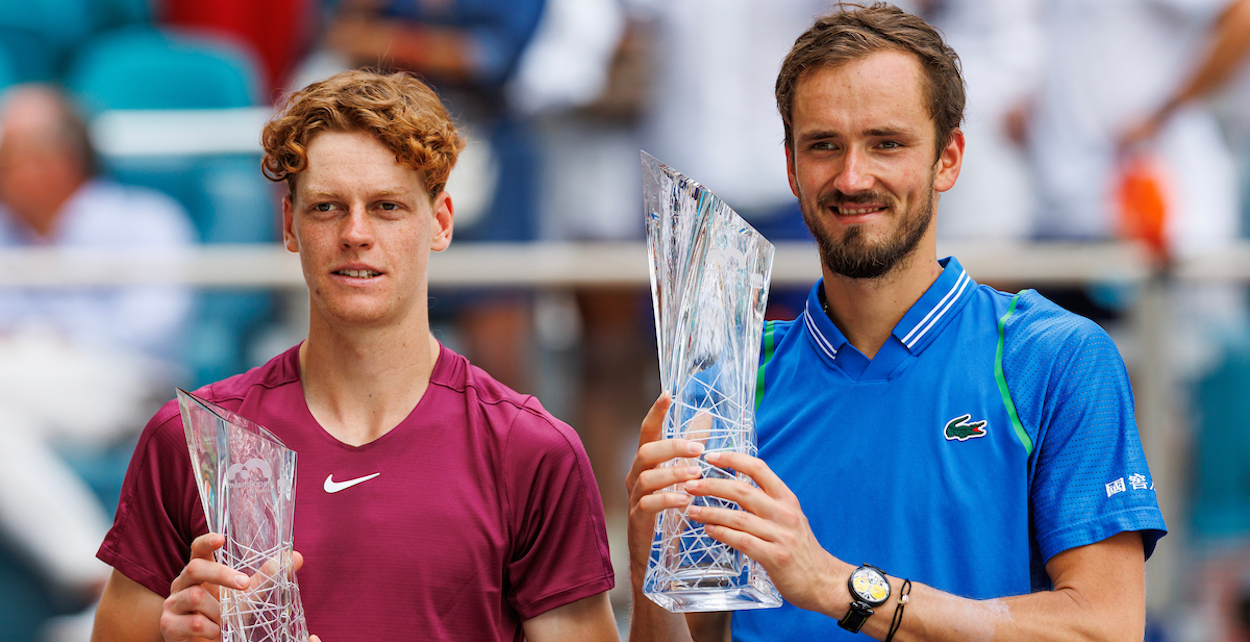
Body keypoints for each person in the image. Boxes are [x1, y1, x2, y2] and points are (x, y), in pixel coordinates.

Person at [626, 4, 1167, 641]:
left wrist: (837, 586)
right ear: (792, 167)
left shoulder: (1051, 357)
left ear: (948, 157)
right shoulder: (728, 385)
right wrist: (649, 567)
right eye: (824, 145)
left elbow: (1105, 628)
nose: (854, 177)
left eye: (887, 143)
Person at [90, 69, 619, 641]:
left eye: (387, 206)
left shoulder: (532, 450)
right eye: (326, 208)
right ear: (289, 225)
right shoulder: (194, 439)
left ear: (439, 223)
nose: (356, 233)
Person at [0, 84, 195, 603]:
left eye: (6, 156)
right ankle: (92, 578)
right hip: (22, 383)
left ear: (55, 161)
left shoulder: (142, 219)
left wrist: (49, 340)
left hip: (123, 383)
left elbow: (153, 330)